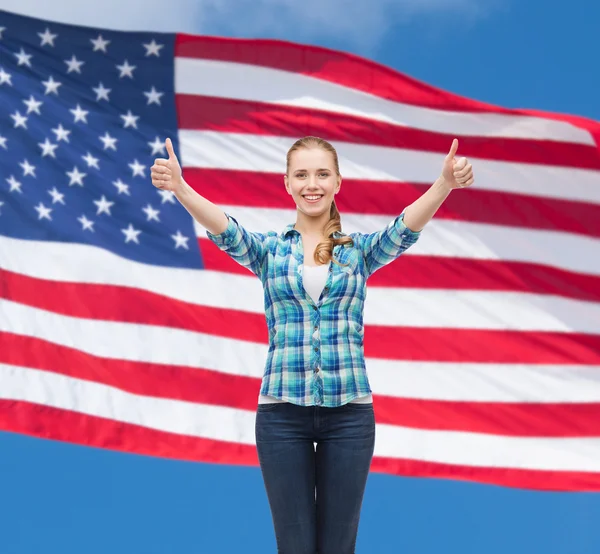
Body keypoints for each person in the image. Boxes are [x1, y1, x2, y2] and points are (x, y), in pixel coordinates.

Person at [150, 136, 474, 554]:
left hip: (349, 418)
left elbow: (404, 229)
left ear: (338, 182)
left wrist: (444, 183)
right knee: (295, 545)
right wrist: (180, 187)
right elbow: (226, 230)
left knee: (338, 547)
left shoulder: (357, 253)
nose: (312, 183)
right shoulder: (269, 251)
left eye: (322, 174)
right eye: (301, 175)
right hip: (282, 416)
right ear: (286, 183)